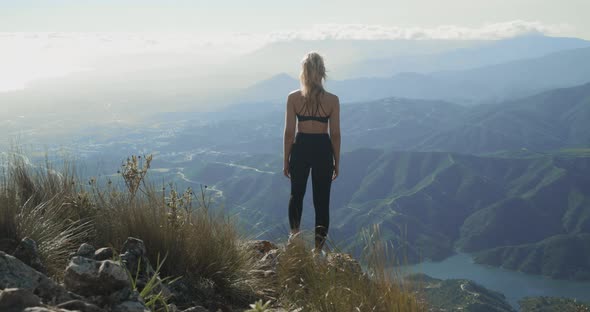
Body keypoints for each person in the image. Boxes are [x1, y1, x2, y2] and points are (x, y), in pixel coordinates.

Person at [283, 51, 341, 254]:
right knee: (321, 201)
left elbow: (290, 132)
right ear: (322, 72)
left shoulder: (293, 98)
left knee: (296, 195)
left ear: (304, 73)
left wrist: (286, 160)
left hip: (301, 147)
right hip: (323, 149)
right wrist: (337, 161)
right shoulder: (332, 100)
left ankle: (294, 238)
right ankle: (318, 252)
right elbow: (335, 134)